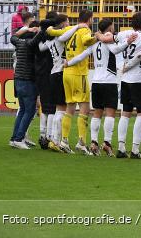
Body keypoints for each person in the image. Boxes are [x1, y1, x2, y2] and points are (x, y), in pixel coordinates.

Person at [63, 20, 118, 157]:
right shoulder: (110, 41)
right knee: (110, 113)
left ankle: (93, 143)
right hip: (109, 81)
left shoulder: (95, 43)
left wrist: (68, 63)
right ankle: (107, 143)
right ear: (110, 27)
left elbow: (81, 56)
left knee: (97, 113)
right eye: (112, 25)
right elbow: (116, 50)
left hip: (96, 82)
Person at [47, 9, 97, 155]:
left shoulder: (69, 29)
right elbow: (86, 40)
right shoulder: (85, 30)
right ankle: (81, 142)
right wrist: (97, 37)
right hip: (78, 73)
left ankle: (64, 141)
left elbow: (51, 31)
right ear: (89, 19)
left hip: (66, 73)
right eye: (92, 18)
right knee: (84, 108)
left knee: (69, 107)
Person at [114, 12, 141, 159]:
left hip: (125, 79)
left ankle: (121, 148)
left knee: (125, 112)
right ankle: (135, 150)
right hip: (140, 79)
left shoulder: (124, 34)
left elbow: (112, 38)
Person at [38, 14, 73, 153]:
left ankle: (52, 138)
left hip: (53, 73)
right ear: (62, 24)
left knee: (57, 108)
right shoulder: (60, 37)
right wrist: (77, 27)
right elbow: (67, 35)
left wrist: (41, 33)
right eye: (67, 22)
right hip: (60, 73)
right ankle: (56, 141)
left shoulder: (49, 41)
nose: (69, 24)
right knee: (61, 108)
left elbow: (40, 47)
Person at [9, 15, 40, 149]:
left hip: (18, 80)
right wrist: (37, 31)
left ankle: (14, 138)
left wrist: (27, 28)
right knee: (29, 111)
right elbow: (38, 38)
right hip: (28, 80)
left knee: (22, 110)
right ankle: (19, 138)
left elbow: (13, 37)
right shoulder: (31, 44)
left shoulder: (19, 43)